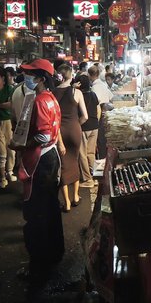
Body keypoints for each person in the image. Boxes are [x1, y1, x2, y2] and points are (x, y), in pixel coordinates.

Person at [9, 58, 66, 302]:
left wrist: (20, 144)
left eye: (30, 75)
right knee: (50, 209)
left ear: (41, 78)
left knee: (36, 215)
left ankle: (39, 270)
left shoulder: (41, 100)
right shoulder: (51, 98)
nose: (26, 78)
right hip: (50, 157)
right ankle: (53, 255)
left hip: (41, 160)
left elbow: (43, 135)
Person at [54, 63, 88, 212]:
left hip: (60, 132)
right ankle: (75, 196)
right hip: (75, 130)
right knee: (74, 161)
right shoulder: (76, 92)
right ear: (71, 74)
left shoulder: (53, 93)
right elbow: (85, 116)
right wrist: (77, 124)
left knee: (63, 164)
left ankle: (66, 202)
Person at [77, 75, 100, 188]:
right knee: (91, 153)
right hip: (94, 126)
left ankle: (88, 180)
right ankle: (94, 177)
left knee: (82, 154)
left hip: (83, 127)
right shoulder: (93, 94)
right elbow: (97, 110)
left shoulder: (77, 95)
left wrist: (77, 125)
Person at [88, 65, 113, 159]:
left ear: (90, 75)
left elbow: (96, 102)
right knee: (105, 139)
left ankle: (103, 160)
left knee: (101, 139)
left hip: (99, 115)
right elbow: (111, 98)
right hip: (107, 114)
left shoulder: (94, 88)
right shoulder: (103, 84)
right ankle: (106, 158)